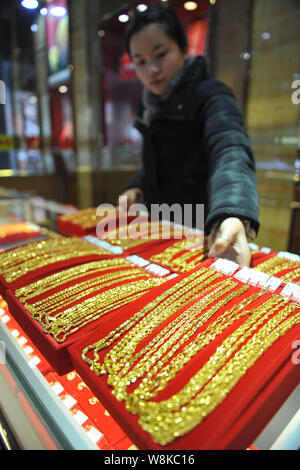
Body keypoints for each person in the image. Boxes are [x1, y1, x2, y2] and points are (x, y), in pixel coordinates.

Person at [118, 3, 259, 267]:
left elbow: (230, 149)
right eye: (141, 62)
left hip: (206, 231)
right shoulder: (149, 106)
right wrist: (137, 184)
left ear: (183, 48)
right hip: (165, 230)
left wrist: (232, 212)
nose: (152, 69)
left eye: (160, 54)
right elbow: (161, 160)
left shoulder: (211, 95)